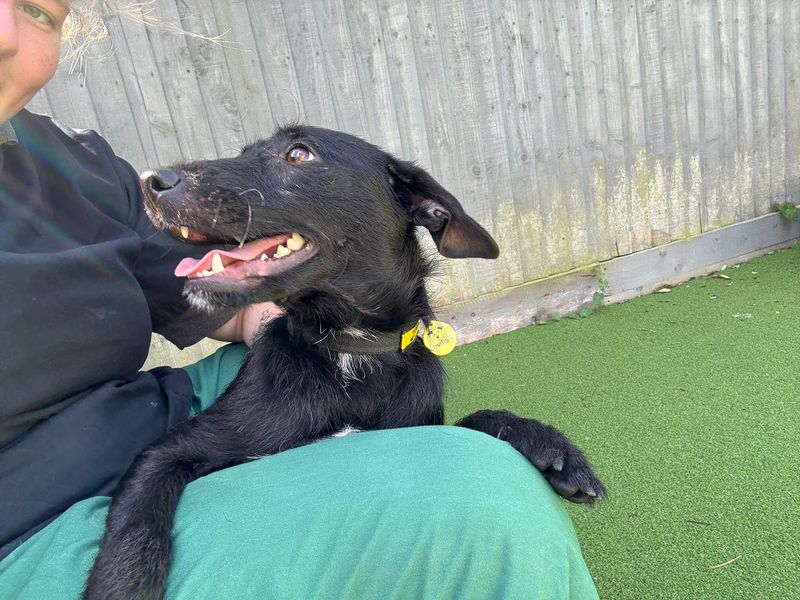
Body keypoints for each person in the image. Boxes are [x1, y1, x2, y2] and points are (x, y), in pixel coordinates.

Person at [0, 2, 600, 598]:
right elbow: (173, 457)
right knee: (482, 497)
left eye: (38, 10)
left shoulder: (75, 163)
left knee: (446, 450)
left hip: (166, 407)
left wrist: (485, 427)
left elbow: (222, 301)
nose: (6, 30)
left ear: (423, 210)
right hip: (36, 518)